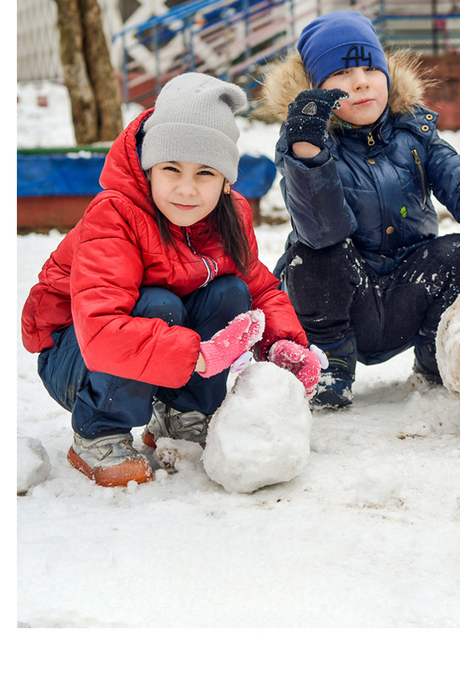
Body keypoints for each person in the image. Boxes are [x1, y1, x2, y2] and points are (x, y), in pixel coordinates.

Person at [22, 74, 319, 486]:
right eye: (171, 169)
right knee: (157, 304)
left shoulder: (229, 215)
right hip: (76, 356)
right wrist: (199, 356)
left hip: (157, 347)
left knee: (229, 292)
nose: (186, 188)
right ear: (149, 168)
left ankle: (183, 415)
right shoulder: (115, 214)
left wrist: (285, 342)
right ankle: (98, 432)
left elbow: (258, 287)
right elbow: (101, 328)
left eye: (205, 173)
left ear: (226, 180)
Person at [264, 11, 460, 410]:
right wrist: (308, 153)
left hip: (408, 289)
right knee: (311, 255)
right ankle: (331, 365)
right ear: (314, 89)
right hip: (339, 298)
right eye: (341, 75)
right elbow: (320, 228)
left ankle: (436, 358)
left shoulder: (413, 134)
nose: (360, 82)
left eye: (370, 68)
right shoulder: (307, 145)